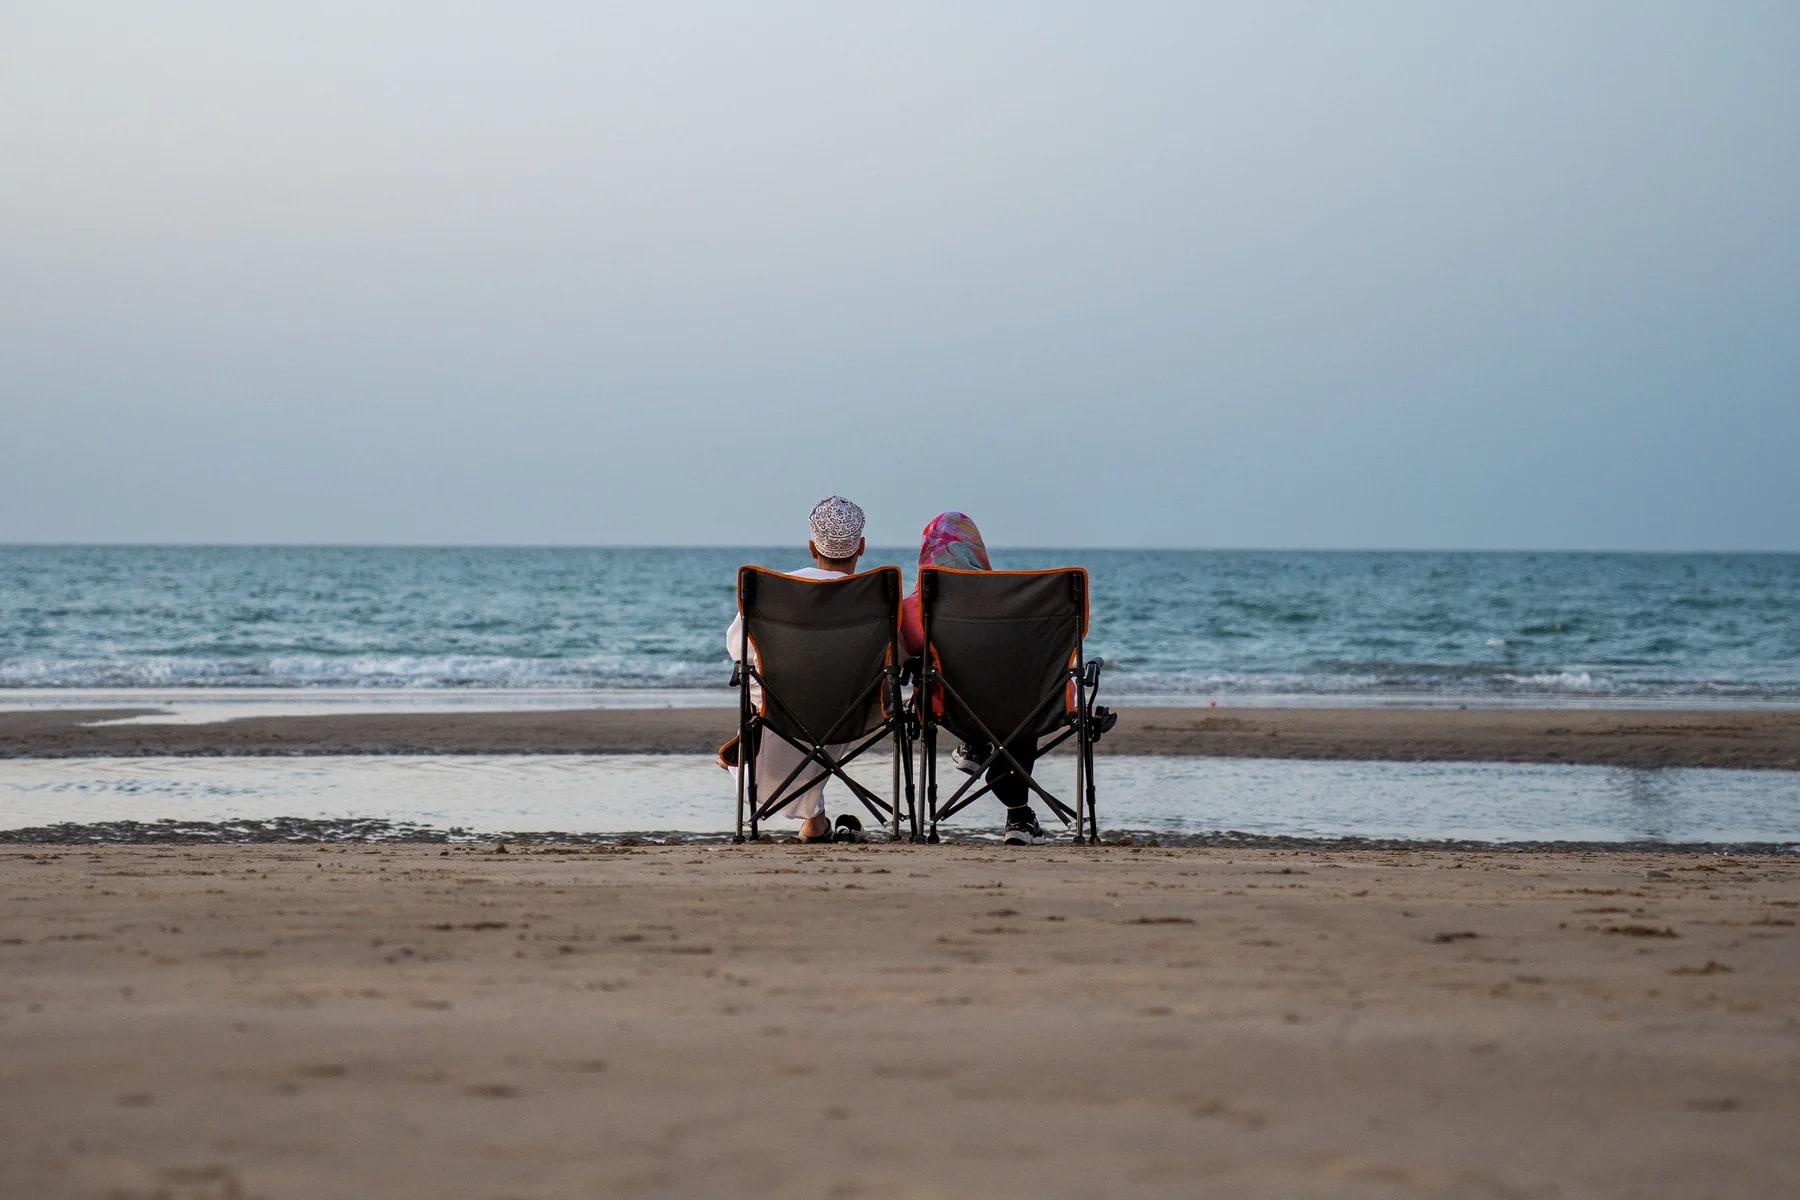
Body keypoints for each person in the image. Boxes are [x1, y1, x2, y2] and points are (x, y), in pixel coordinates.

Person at [900, 512, 1050, 845]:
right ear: (977, 552)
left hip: (953, 712)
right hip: (1021, 715)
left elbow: (898, 662)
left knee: (948, 679)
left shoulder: (912, 611)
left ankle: (976, 746)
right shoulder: (1014, 605)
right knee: (1020, 686)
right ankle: (1019, 815)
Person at [725, 495, 868, 843]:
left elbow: (738, 649)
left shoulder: (774, 590)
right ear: (861, 547)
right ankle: (815, 819)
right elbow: (896, 657)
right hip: (856, 711)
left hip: (781, 710)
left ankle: (813, 818)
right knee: (827, 710)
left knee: (779, 709)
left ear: (810, 547)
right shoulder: (873, 595)